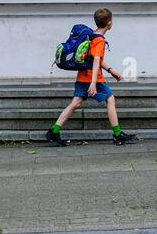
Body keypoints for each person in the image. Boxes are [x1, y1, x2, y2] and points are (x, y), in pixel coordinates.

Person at [46, 8, 136, 146]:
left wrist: (110, 70)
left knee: (76, 103)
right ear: (110, 23)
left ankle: (54, 131)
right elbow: (95, 61)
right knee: (110, 99)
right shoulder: (99, 40)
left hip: (82, 75)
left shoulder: (91, 35)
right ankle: (117, 134)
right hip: (93, 77)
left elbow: (95, 59)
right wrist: (93, 83)